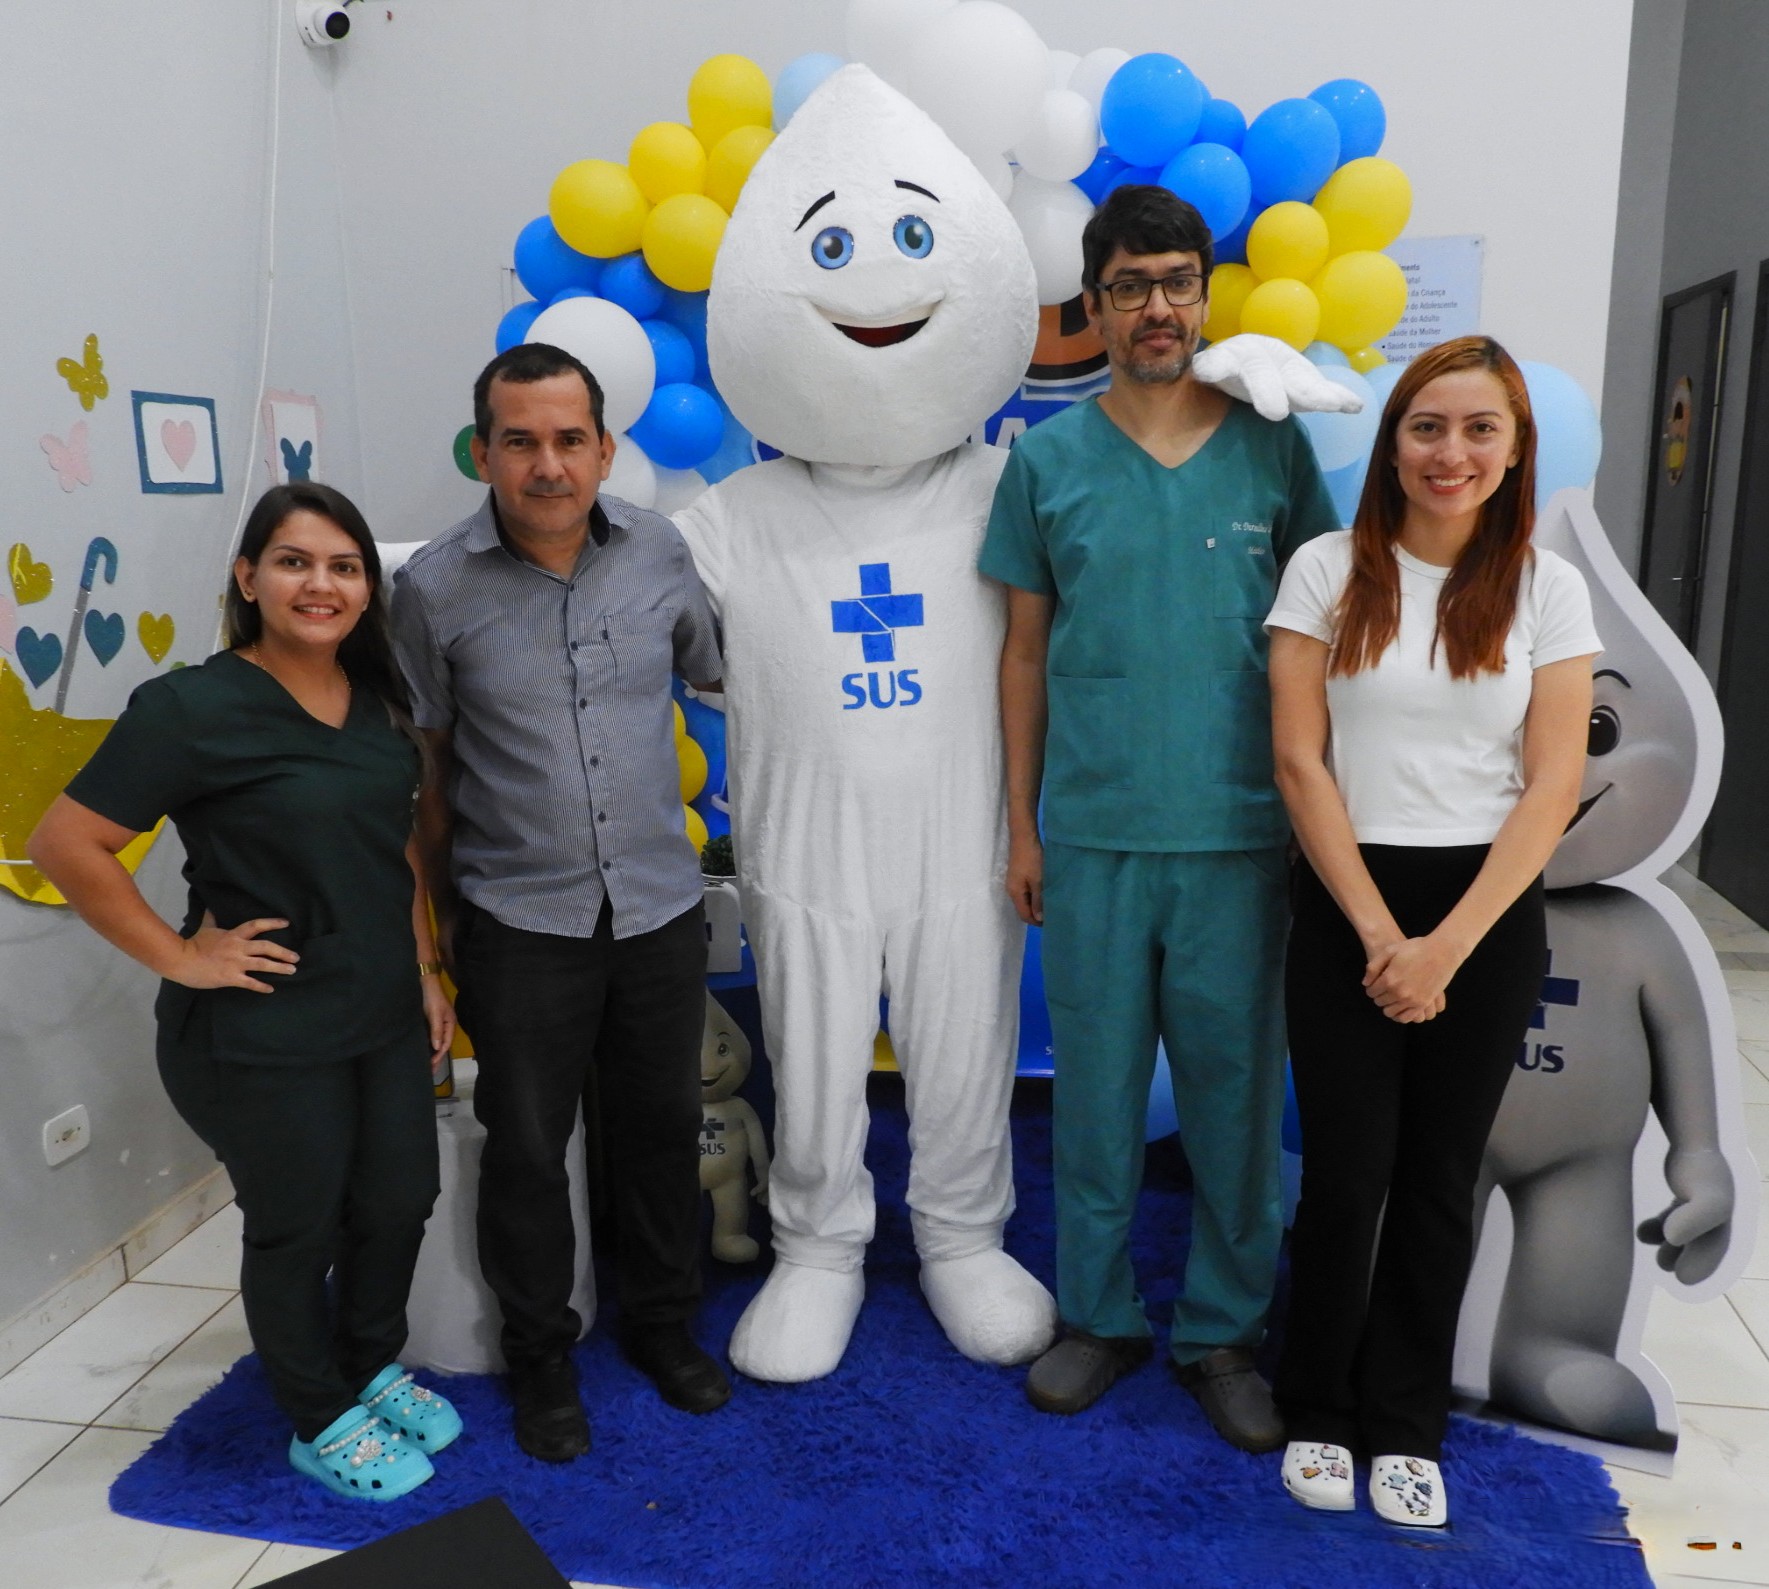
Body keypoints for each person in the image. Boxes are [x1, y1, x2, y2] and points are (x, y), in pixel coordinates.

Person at [981, 184, 1340, 1449]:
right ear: (1092, 304)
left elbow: (1321, 637)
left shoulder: (1270, 450)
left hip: (1238, 837)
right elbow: (1023, 653)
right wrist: (1023, 827)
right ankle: (1098, 1315)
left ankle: (1221, 1330)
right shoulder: (1046, 462)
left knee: (1233, 1101)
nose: (1154, 307)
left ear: (1203, 295)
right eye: (1128, 285)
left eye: (1176, 281)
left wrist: (1320, 820)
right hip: (1092, 837)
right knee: (1092, 1096)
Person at [28, 482, 460, 1503]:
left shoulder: (375, 701)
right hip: (262, 1026)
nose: (321, 584)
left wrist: (425, 969)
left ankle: (366, 1364)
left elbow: (393, 848)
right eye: (295, 561)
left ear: (368, 587)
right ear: (248, 576)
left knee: (399, 1197)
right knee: (296, 1222)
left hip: (379, 1009)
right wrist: (182, 957)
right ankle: (318, 1415)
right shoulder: (191, 707)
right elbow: (66, 842)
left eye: (344, 566)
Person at [1264, 335, 1598, 1527]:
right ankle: (1316, 1399)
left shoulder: (1546, 590)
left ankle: (1405, 1421)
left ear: (1512, 451)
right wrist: (1374, 932)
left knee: (1436, 1176)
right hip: (1344, 895)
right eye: (1426, 425)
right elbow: (1298, 761)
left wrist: (1444, 946)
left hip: (1484, 913)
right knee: (1344, 1172)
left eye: (1477, 429)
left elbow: (1550, 785)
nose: (1448, 452)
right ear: (1393, 441)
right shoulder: (1322, 568)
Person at [391, 341, 727, 1464]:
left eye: (569, 439)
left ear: (605, 449)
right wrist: (437, 934)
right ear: (482, 451)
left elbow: (710, 668)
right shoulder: (432, 589)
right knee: (528, 1148)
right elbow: (425, 774)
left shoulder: (660, 552)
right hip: (519, 919)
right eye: (521, 441)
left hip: (657, 908)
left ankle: (664, 1325)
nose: (548, 465)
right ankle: (541, 1356)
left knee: (662, 1130)